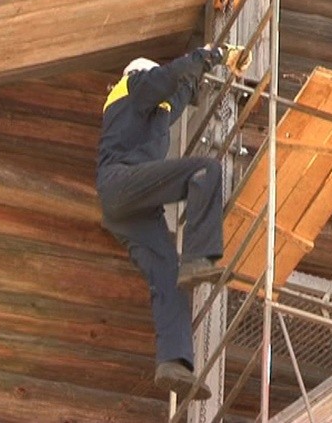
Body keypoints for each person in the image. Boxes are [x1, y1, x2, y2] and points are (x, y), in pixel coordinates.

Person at [96, 43, 250, 399]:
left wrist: (211, 72)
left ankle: (173, 362)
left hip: (128, 207)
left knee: (167, 275)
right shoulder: (134, 86)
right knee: (204, 171)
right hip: (122, 181)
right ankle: (198, 258)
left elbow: (176, 94)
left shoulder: (149, 110)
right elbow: (168, 78)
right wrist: (213, 53)